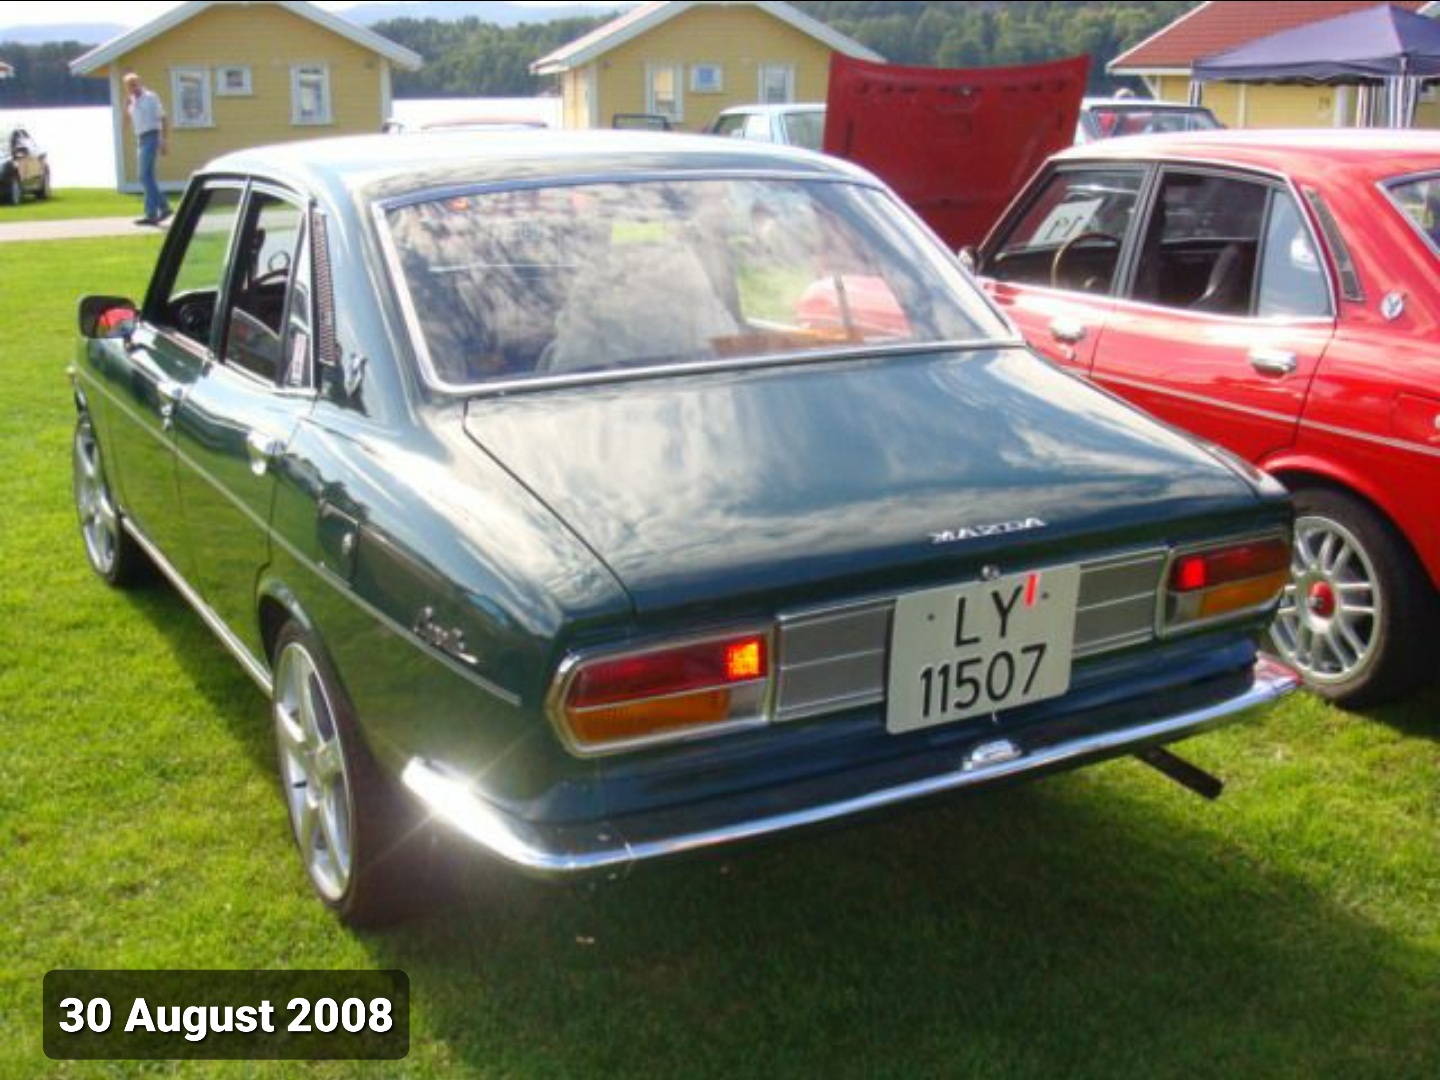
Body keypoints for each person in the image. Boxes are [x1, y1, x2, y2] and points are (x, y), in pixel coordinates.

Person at [123, 73, 171, 226]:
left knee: (144, 176)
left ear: (139, 83)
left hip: (152, 135)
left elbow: (163, 118)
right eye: (129, 85)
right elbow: (127, 120)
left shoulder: (150, 97)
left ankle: (163, 207)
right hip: (141, 138)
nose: (132, 87)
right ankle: (151, 214)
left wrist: (163, 140)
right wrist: (128, 105)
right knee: (147, 177)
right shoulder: (132, 101)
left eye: (134, 84)